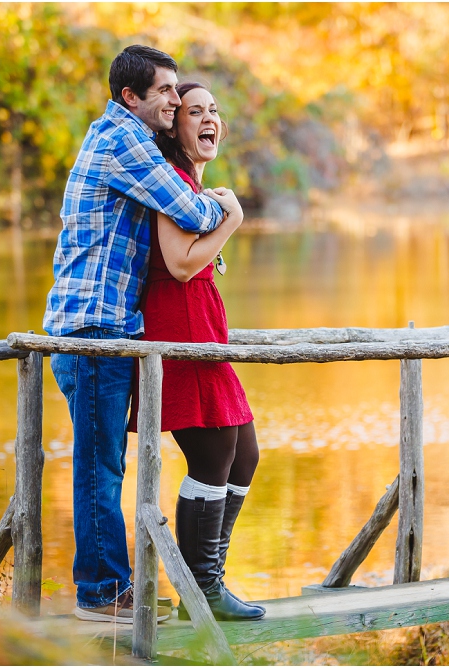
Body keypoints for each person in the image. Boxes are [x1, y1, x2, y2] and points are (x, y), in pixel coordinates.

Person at [44, 45, 243, 624]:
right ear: (130, 97)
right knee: (99, 468)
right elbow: (188, 208)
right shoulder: (124, 140)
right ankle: (102, 593)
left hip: (101, 329)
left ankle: (115, 587)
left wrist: (203, 201)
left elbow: (181, 207)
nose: (175, 101)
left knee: (102, 464)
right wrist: (226, 208)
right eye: (165, 93)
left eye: (177, 92)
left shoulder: (119, 138)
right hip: (94, 333)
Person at [127, 82, 264, 622]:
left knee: (243, 453)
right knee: (211, 455)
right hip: (177, 325)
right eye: (194, 111)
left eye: (214, 110)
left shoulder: (195, 185)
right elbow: (180, 263)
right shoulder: (171, 182)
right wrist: (232, 220)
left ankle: (207, 582)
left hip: (203, 327)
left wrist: (219, 210)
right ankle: (201, 590)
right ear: (173, 125)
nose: (209, 118)